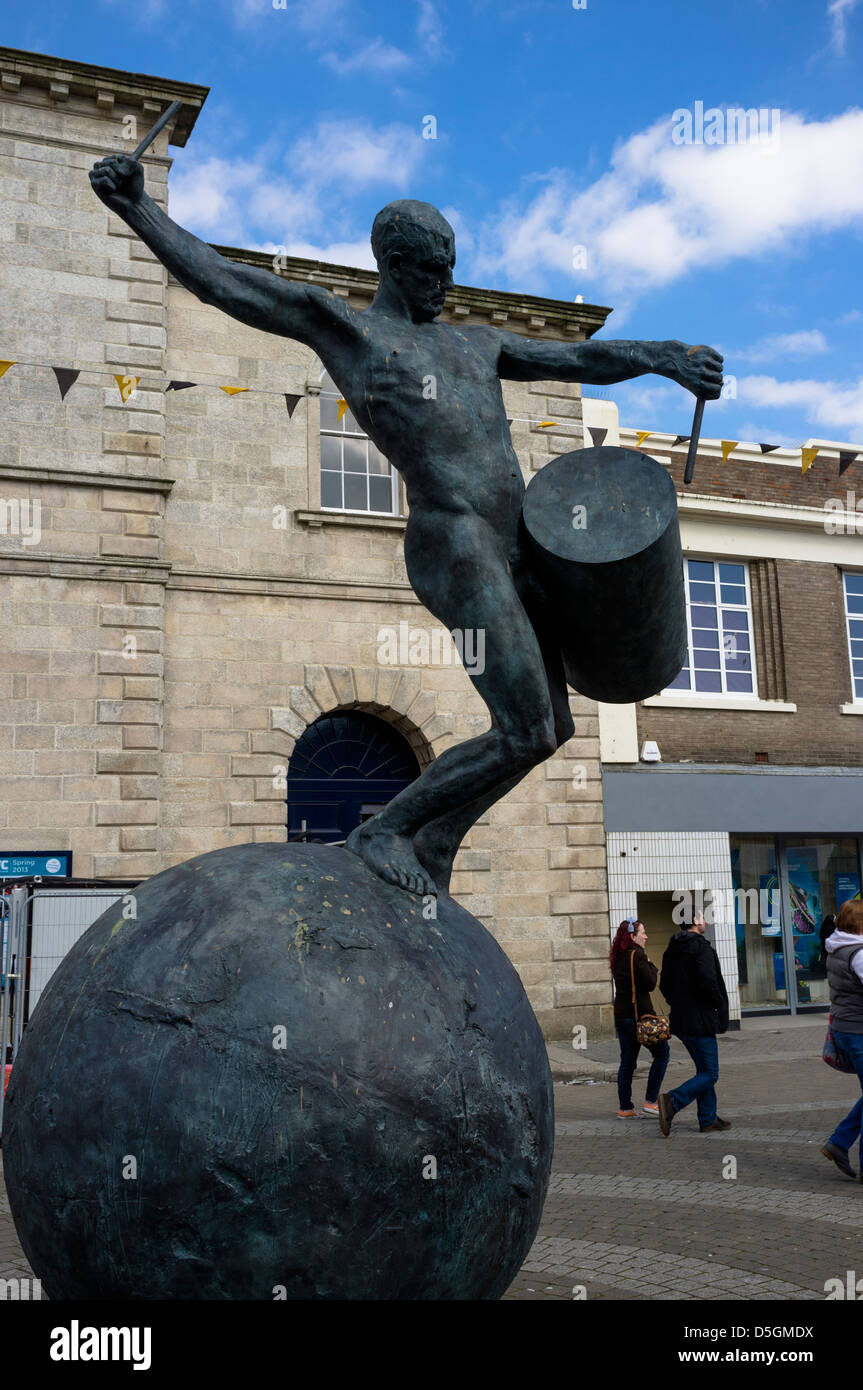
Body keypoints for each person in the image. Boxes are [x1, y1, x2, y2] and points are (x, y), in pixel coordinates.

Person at [89, 159, 723, 899]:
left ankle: (439, 836)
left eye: (450, 270)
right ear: (391, 265)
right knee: (521, 725)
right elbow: (230, 285)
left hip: (520, 542)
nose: (443, 286)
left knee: (550, 730)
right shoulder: (349, 332)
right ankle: (384, 829)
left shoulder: (476, 345)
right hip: (453, 541)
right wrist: (140, 210)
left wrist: (666, 358)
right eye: (429, 271)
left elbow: (576, 354)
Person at [657, 908, 730, 1135]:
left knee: (703, 1070)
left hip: (681, 1019)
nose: (705, 920)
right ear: (695, 921)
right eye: (702, 916)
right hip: (700, 1019)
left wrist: (679, 1002)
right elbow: (709, 982)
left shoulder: (672, 949)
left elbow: (664, 986)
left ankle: (708, 1118)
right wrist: (717, 1002)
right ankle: (672, 1101)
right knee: (711, 1073)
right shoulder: (700, 947)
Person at [820, 899, 863, 1182]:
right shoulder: (858, 953)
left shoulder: (836, 948)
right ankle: (840, 1144)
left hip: (846, 1029)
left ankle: (839, 1143)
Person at [610, 917, 669, 1118]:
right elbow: (651, 982)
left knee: (627, 1062)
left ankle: (625, 1108)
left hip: (622, 1016)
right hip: (640, 1018)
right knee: (662, 1054)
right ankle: (650, 1101)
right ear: (633, 937)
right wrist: (652, 965)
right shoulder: (639, 955)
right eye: (642, 932)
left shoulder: (617, 957)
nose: (646, 936)